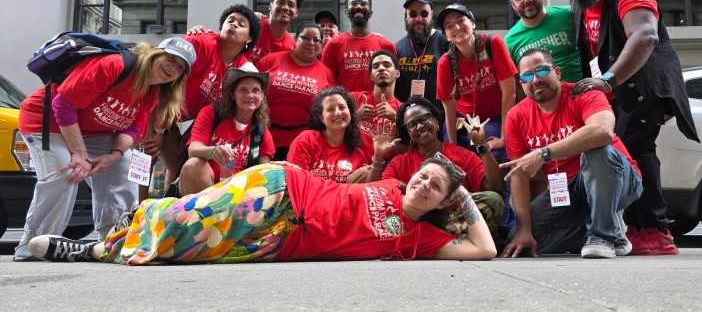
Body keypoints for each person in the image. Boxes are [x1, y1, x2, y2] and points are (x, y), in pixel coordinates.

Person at [26, 156, 496, 264]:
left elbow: (485, 250)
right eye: (424, 175)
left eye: (435, 187)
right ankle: (98, 246)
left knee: (191, 250)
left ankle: (99, 249)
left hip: (281, 241)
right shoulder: (392, 183)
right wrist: (444, 179)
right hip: (286, 189)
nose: (423, 183)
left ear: (442, 202)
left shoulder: (422, 240)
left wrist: (461, 194)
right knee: (186, 223)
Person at [554, 0, 699, 255]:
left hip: (643, 89)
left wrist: (607, 80)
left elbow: (645, 36)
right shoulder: (583, 6)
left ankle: (655, 231)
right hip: (615, 95)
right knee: (623, 153)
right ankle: (633, 226)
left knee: (635, 150)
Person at [13, 37, 196, 262]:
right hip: (47, 119)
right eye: (171, 58)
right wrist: (79, 153)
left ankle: (114, 239)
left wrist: (114, 155)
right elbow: (63, 104)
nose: (173, 68)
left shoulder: (153, 91)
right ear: (155, 52)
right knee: (67, 170)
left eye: (180, 67)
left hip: (92, 130)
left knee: (123, 164)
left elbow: (133, 126)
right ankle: (33, 241)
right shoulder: (115, 65)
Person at [501, 48, 642, 259]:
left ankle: (602, 235)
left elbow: (602, 131)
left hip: (619, 181)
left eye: (542, 70)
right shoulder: (516, 116)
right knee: (523, 241)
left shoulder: (584, 93)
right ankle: (602, 230)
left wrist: (543, 153)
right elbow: (519, 174)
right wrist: (524, 229)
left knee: (596, 151)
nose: (536, 79)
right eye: (527, 76)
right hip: (568, 192)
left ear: (557, 72)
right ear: (521, 83)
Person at [146, 4, 261, 192]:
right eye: (230, 20)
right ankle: (138, 207)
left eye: (241, 24)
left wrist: (193, 133)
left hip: (176, 117)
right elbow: (164, 84)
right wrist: (158, 129)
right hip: (153, 105)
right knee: (147, 155)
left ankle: (171, 206)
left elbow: (231, 104)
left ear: (249, 39)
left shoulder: (241, 69)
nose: (233, 24)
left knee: (178, 161)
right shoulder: (201, 44)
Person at [367, 96, 505, 236]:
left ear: (436, 121)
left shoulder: (462, 155)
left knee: (493, 199)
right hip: (414, 223)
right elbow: (375, 196)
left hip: (452, 223)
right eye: (412, 125)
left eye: (424, 118)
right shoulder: (399, 163)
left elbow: (496, 185)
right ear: (408, 135)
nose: (419, 126)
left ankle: (435, 238)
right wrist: (378, 156)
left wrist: (481, 145)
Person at [435, 3, 517, 165]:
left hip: (494, 118)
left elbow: (510, 94)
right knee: (458, 162)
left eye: (460, 20)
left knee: (495, 155)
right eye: (449, 26)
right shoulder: (445, 63)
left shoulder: (493, 44)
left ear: (472, 23)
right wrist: (453, 149)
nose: (457, 27)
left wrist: (503, 138)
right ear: (447, 36)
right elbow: (449, 112)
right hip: (463, 121)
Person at [178, 64, 276, 195]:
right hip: (205, 191)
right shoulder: (211, 114)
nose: (250, 95)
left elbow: (263, 171)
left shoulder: (261, 132)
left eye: (256, 90)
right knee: (193, 165)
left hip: (239, 195)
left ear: (262, 95)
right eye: (243, 90)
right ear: (232, 94)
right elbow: (193, 150)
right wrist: (213, 152)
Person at [256, 22, 337, 161]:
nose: (311, 43)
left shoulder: (327, 74)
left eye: (316, 40)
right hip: (263, 136)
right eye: (306, 37)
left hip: (303, 143)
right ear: (295, 39)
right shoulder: (270, 61)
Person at [505, 0, 582, 83]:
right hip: (540, 93)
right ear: (513, 4)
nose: (527, 0)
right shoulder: (509, 42)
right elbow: (516, 82)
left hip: (582, 89)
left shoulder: (570, 14)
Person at [321, 0, 397, 93]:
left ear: (370, 13)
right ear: (346, 12)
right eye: (354, 3)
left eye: (363, 4)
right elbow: (327, 84)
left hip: (379, 103)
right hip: (346, 103)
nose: (358, 6)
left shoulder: (387, 46)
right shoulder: (333, 45)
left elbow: (393, 83)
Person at [287, 86, 368, 183]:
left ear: (350, 113)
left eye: (342, 107)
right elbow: (298, 181)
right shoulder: (306, 140)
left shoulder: (358, 154)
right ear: (322, 118)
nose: (338, 113)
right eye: (330, 109)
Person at [393, 0, 449, 111]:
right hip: (407, 118)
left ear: (431, 15)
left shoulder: (445, 41)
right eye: (413, 14)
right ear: (406, 16)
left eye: (424, 13)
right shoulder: (397, 48)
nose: (418, 19)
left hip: (440, 116)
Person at [350, 50, 402, 159]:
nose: (381, 68)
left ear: (397, 73)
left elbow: (405, 151)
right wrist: (355, 118)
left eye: (387, 65)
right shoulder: (353, 99)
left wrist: (395, 118)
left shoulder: (403, 110)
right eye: (376, 66)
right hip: (352, 161)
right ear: (371, 76)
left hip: (386, 164)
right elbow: (332, 131)